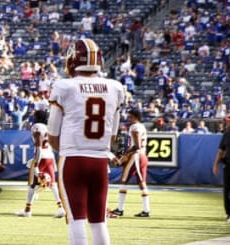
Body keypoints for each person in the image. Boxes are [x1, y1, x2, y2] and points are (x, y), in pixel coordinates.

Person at [48, 38, 126, 245]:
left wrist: (67, 148)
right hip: (100, 161)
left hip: (73, 160)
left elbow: (52, 134)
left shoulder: (65, 86)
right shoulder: (115, 87)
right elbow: (113, 136)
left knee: (76, 220)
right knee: (99, 221)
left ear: (73, 60)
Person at [16, 110, 65, 217]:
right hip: (50, 157)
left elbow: (38, 145)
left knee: (32, 184)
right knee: (52, 184)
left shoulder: (37, 126)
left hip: (41, 156)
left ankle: (27, 210)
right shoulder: (49, 127)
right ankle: (61, 208)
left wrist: (36, 162)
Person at [110, 109, 150, 218]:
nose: (129, 118)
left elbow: (137, 146)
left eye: (130, 117)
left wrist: (125, 155)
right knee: (141, 182)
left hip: (136, 156)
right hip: (142, 156)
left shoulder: (134, 127)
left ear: (135, 117)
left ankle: (120, 209)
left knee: (124, 180)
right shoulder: (141, 126)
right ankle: (146, 210)